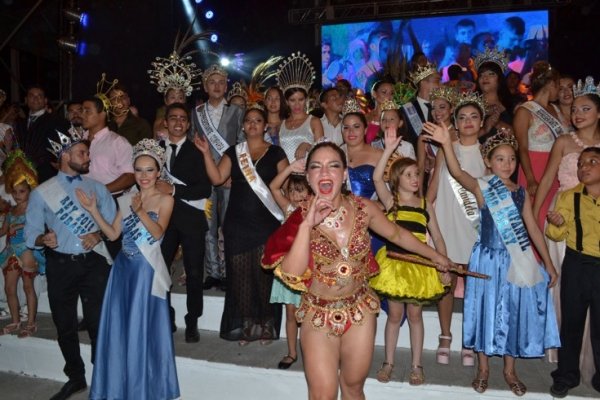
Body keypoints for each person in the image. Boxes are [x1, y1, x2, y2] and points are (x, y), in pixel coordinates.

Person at [261, 141, 452, 399]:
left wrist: (436, 255)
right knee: (322, 395)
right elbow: (293, 274)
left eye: (333, 166)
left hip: (360, 312)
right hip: (319, 315)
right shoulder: (299, 217)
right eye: (316, 167)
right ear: (308, 177)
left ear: (344, 175)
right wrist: (307, 225)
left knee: (353, 387)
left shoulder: (364, 208)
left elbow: (397, 234)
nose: (325, 172)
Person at [424, 123, 560, 396]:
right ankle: (483, 368)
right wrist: (446, 144)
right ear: (488, 161)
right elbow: (457, 173)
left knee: (511, 312)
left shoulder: (520, 192)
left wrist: (547, 261)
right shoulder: (482, 187)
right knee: (484, 310)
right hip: (486, 259)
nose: (507, 164)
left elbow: (532, 227)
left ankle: (509, 370)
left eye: (511, 159)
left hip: (514, 262)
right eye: (500, 158)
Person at [79, 138, 179, 400]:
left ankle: (143, 391)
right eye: (139, 170)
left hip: (145, 273)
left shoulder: (165, 200)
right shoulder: (126, 199)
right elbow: (113, 234)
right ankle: (119, 388)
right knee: (121, 331)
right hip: (122, 271)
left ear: (158, 172)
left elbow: (158, 234)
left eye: (149, 170)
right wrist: (93, 211)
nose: (144, 176)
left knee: (140, 331)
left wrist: (141, 213)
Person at [25, 130, 115, 400]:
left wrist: (98, 234)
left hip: (94, 264)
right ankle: (76, 377)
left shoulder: (97, 188)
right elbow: (31, 235)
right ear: (65, 156)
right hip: (61, 265)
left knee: (99, 323)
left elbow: (113, 226)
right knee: (64, 324)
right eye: (82, 153)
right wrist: (44, 238)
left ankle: (103, 377)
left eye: (87, 153)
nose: (88, 158)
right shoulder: (42, 192)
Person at [194, 105, 288, 345]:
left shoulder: (276, 153)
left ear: (265, 125)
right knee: (241, 277)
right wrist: (206, 153)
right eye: (249, 121)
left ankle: (266, 325)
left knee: (264, 276)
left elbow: (284, 187)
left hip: (267, 223)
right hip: (237, 223)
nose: (253, 124)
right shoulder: (234, 151)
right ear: (243, 126)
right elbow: (217, 178)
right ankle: (247, 326)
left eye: (258, 120)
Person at [370, 128, 449, 385]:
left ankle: (417, 365)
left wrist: (443, 264)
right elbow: (376, 178)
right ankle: (388, 362)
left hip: (419, 268)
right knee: (394, 316)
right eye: (408, 175)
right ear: (396, 178)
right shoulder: (391, 202)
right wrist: (390, 149)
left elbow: (436, 237)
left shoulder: (425, 205)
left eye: (417, 174)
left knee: (415, 316)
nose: (415, 178)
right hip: (394, 266)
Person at [534, 77, 599, 380]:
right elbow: (547, 181)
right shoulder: (562, 141)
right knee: (567, 295)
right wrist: (533, 218)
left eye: (585, 108)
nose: (577, 114)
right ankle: (567, 362)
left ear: (598, 112)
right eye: (574, 109)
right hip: (563, 221)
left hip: (596, 224)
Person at [426, 93, 487, 367]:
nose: (468, 122)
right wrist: (428, 218)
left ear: (482, 122)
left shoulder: (487, 152)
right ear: (455, 121)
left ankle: (469, 339)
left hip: (474, 224)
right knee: (446, 280)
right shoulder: (444, 147)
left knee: (474, 284)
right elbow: (432, 189)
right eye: (462, 117)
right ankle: (445, 335)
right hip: (447, 219)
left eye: (474, 116)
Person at [156, 102, 212, 341]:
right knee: (160, 270)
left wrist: (174, 190)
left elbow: (205, 189)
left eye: (182, 118)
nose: (178, 122)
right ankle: (165, 316)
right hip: (163, 221)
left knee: (194, 271)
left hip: (191, 218)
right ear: (165, 122)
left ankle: (192, 320)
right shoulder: (155, 150)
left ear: (188, 125)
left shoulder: (196, 151)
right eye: (173, 118)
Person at [547, 147, 600, 398]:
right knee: (571, 323)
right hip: (577, 265)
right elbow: (556, 233)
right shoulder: (569, 197)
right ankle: (567, 374)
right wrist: (556, 224)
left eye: (593, 162)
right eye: (580, 163)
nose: (584, 167)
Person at [192, 64, 244, 291]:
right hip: (205, 179)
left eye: (221, 82)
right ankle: (213, 272)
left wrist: (237, 174)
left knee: (230, 225)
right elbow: (194, 146)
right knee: (208, 226)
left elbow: (242, 145)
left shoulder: (237, 112)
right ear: (205, 86)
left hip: (230, 178)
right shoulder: (196, 113)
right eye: (212, 82)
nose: (216, 86)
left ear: (227, 86)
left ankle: (230, 272)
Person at [268, 158, 311, 369]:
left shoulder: (316, 211)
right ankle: (292, 352)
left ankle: (314, 355)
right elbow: (274, 187)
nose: (298, 196)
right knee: (291, 313)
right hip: (289, 272)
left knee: (311, 315)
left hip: (311, 272)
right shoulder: (288, 209)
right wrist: (290, 168)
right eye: (293, 191)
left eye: (303, 190)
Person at [0, 151, 44, 338]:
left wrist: (17, 226)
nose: (18, 196)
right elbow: (3, 231)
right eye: (15, 192)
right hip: (10, 250)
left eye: (22, 191)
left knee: (28, 287)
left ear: (30, 190)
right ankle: (16, 321)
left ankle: (31, 323)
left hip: (27, 250)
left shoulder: (35, 208)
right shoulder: (11, 211)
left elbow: (38, 227)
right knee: (9, 288)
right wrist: (7, 228)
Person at [513, 61, 562, 228]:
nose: (559, 90)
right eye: (558, 85)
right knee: (537, 217)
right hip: (535, 167)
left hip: (556, 168)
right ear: (550, 84)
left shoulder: (556, 109)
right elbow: (522, 148)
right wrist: (530, 178)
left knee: (554, 215)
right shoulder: (524, 110)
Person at [15, 85, 70, 183]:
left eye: (39, 96)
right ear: (26, 100)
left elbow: (66, 147)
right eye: (32, 96)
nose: (35, 98)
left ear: (45, 101)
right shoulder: (19, 123)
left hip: (48, 176)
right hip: (22, 177)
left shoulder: (56, 121)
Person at [277, 52, 324, 162]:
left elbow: (322, 152)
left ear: (306, 100)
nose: (297, 105)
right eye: (292, 100)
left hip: (307, 175)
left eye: (301, 99)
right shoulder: (282, 124)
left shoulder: (314, 121)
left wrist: (307, 146)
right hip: (286, 176)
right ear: (287, 101)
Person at [340, 98, 382, 200]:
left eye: (356, 126)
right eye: (346, 127)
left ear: (365, 130)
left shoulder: (379, 154)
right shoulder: (335, 153)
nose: (351, 131)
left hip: (371, 212)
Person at [417, 86, 457, 193]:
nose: (437, 112)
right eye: (433, 108)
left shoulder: (460, 134)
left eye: (442, 107)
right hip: (434, 184)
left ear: (451, 109)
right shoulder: (424, 136)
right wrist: (420, 193)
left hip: (457, 183)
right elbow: (420, 166)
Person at [402, 62, 440, 148]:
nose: (440, 86)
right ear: (423, 82)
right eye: (437, 81)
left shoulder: (443, 108)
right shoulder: (406, 109)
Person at [365, 80, 394, 144]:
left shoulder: (396, 117)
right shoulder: (365, 118)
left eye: (392, 93)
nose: (389, 96)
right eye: (384, 92)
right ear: (374, 94)